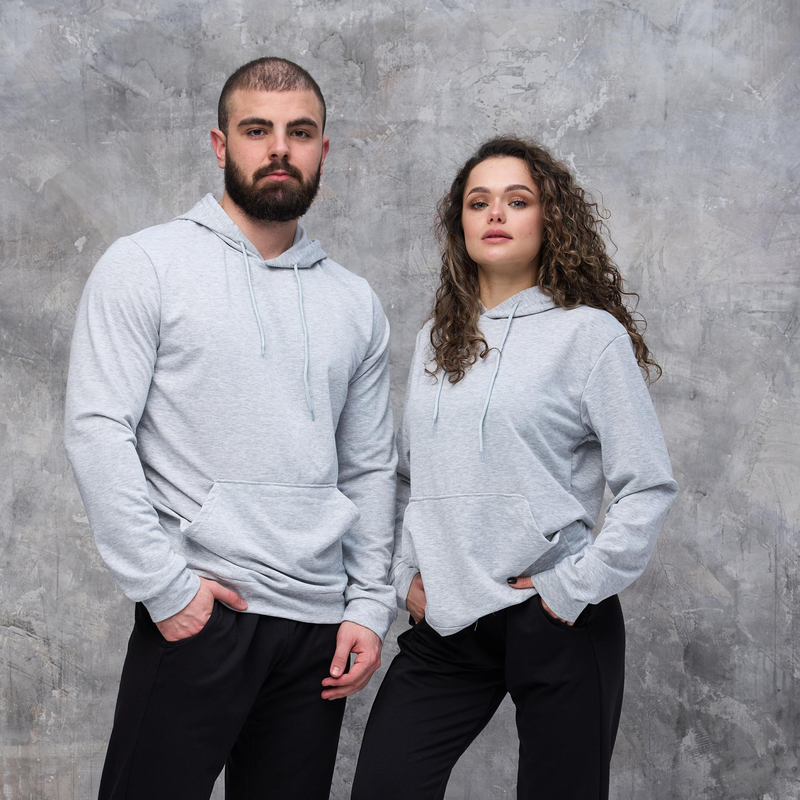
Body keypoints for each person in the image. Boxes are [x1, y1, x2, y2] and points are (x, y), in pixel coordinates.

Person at [64, 57, 397, 799]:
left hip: (318, 625)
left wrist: (369, 606)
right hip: (203, 609)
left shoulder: (354, 302)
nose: (279, 148)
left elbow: (370, 466)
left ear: (322, 150)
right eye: (256, 130)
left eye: (299, 132)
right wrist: (165, 587)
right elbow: (97, 428)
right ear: (220, 145)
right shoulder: (146, 264)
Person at [350, 136, 679, 800]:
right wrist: (403, 575)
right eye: (479, 202)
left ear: (549, 218)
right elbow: (408, 476)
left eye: (517, 200)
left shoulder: (589, 335)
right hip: (448, 619)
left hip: (554, 618)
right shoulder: (436, 339)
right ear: (461, 224)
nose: (495, 213)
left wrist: (571, 589)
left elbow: (647, 484)